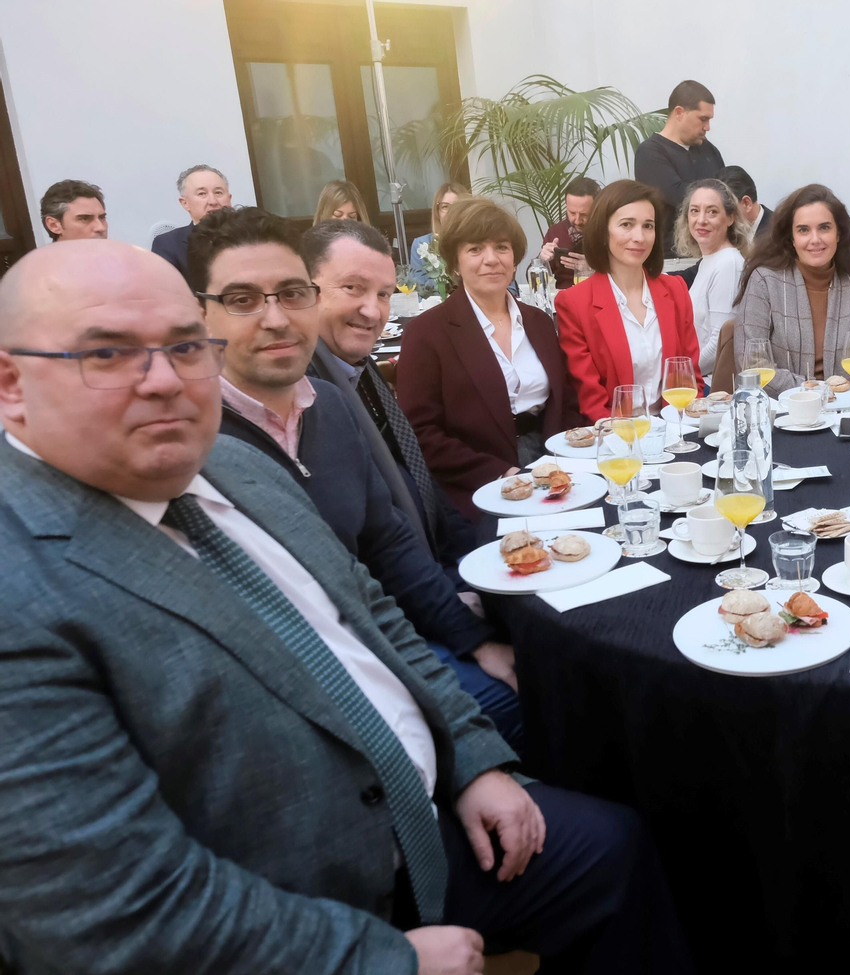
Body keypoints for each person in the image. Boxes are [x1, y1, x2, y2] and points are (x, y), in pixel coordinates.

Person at [0, 239, 692, 974]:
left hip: (430, 815)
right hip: (309, 906)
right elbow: (108, 911)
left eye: (183, 346)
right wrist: (374, 958)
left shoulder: (232, 467)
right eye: (107, 355)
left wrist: (473, 759)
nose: (165, 380)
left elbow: (371, 618)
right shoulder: (22, 589)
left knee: (619, 850)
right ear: (11, 382)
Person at [190, 207, 525, 752]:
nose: (372, 310)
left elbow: (393, 530)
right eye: (243, 300)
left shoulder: (330, 401)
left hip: (401, 608)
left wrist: (476, 588)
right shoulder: (200, 443)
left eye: (385, 294)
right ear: (200, 315)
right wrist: (466, 632)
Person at [301, 219, 478, 575]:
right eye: (352, 287)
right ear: (303, 290)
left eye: (383, 294)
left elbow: (417, 477)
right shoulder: (306, 397)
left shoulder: (361, 371)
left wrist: (475, 555)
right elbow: (368, 548)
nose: (372, 311)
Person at [396, 197, 584, 517]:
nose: (491, 259)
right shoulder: (427, 333)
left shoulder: (538, 322)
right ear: (455, 263)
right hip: (477, 483)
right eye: (474, 249)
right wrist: (503, 474)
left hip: (552, 469)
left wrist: (564, 463)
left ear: (515, 259)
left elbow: (565, 401)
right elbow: (420, 433)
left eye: (501, 247)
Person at [555, 180, 700, 421]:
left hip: (676, 429)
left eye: (648, 226)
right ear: (602, 230)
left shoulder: (675, 290)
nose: (639, 237)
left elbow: (690, 377)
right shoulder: (574, 303)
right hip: (616, 436)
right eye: (626, 225)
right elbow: (590, 400)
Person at [732, 184, 850, 393]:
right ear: (791, 238)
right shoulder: (764, 281)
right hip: (782, 415)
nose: (815, 239)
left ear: (838, 234)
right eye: (803, 230)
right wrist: (816, 392)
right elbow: (752, 367)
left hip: (844, 415)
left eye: (824, 228)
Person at [633, 80, 725, 251]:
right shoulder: (650, 153)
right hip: (672, 255)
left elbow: (727, 191)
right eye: (703, 119)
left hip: (712, 251)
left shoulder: (709, 150)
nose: (708, 127)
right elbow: (678, 195)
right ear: (679, 112)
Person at [675, 178, 751, 375]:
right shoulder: (710, 260)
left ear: (730, 218)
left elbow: (720, 343)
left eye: (712, 212)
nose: (701, 220)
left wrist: (682, 375)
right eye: (694, 211)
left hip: (709, 387)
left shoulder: (728, 263)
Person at [151, 164, 232, 276]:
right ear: (185, 203)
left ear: (229, 199)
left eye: (218, 192)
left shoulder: (252, 235)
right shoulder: (168, 244)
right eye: (202, 194)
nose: (213, 201)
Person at [536, 176, 600, 290]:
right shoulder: (555, 231)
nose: (577, 220)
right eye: (572, 212)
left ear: (597, 208)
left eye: (584, 214)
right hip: (563, 297)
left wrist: (593, 269)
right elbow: (534, 281)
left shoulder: (608, 232)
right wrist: (541, 260)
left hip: (599, 295)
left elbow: (625, 277)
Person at [409, 180, 468, 274]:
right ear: (437, 212)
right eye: (445, 207)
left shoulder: (477, 242)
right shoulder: (421, 245)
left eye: (457, 206)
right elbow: (419, 286)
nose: (451, 212)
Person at [38, 179, 108, 241]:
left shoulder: (116, 254)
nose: (101, 228)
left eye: (102, 218)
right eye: (84, 219)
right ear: (53, 225)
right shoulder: (41, 256)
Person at [717, 165, 773, 239]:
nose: (721, 218)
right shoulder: (722, 233)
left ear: (746, 203)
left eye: (728, 210)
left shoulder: (780, 231)